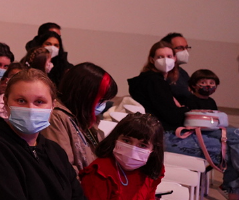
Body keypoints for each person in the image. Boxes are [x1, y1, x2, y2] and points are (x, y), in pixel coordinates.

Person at [128, 41, 239, 199]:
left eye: (169, 56)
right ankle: (232, 191)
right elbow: (172, 116)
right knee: (232, 152)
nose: (165, 60)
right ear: (151, 59)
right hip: (166, 136)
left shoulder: (156, 80)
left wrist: (181, 109)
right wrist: (183, 109)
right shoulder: (153, 81)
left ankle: (232, 190)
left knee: (236, 139)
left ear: (174, 59)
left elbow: (172, 111)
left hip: (171, 131)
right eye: (160, 57)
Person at [0, 68, 85, 200]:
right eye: (21, 101)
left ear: (52, 106)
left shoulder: (55, 151)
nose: (30, 109)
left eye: (39, 102)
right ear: (6, 102)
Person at [41, 63, 118, 173]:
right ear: (83, 96)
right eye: (101, 101)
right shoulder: (56, 117)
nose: (103, 105)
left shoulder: (82, 117)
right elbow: (64, 167)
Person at [79, 113, 165, 200]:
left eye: (142, 145)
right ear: (115, 139)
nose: (132, 149)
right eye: (126, 141)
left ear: (154, 150)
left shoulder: (149, 169)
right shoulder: (100, 174)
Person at [161, 32, 192, 103]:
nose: (185, 51)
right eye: (180, 48)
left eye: (186, 47)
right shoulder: (162, 73)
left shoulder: (183, 73)